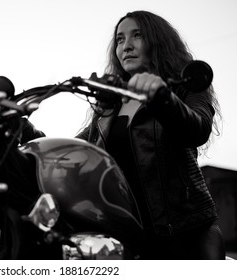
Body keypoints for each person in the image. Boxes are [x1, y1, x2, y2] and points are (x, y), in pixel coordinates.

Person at [75, 10, 225, 259]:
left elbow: (197, 129)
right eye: (120, 39)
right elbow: (73, 150)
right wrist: (26, 132)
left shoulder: (184, 86)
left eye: (137, 36)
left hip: (185, 234)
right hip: (130, 235)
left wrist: (163, 98)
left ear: (157, 41)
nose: (126, 46)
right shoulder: (109, 106)